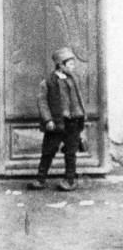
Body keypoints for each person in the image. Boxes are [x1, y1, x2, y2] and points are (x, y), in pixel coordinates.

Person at [29, 46, 87, 192]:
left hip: (72, 123)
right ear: (61, 65)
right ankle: (40, 179)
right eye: (70, 64)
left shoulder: (74, 80)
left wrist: (81, 116)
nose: (73, 67)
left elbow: (79, 99)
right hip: (55, 124)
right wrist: (48, 120)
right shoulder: (48, 82)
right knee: (48, 151)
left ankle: (69, 180)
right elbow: (42, 101)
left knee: (71, 152)